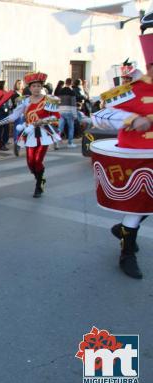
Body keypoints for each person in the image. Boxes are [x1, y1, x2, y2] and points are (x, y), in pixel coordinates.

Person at [86, 15, 153, 279]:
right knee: (137, 209)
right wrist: (131, 119)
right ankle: (127, 252)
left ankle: (125, 231)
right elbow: (99, 115)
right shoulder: (129, 90)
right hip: (136, 159)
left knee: (145, 207)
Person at [0, 72, 61, 198]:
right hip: (29, 133)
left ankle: (38, 185)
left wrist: (42, 121)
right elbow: (14, 116)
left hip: (43, 133)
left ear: (41, 87)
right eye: (33, 86)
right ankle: (40, 178)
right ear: (29, 88)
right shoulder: (24, 101)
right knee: (30, 162)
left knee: (37, 160)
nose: (36, 88)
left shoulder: (49, 100)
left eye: (38, 86)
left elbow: (56, 117)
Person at [57, 78, 78, 148]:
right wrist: (75, 115)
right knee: (71, 128)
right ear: (71, 83)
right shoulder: (72, 92)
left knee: (60, 128)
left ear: (65, 82)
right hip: (69, 112)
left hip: (60, 111)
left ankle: (56, 143)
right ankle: (70, 143)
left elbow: (58, 102)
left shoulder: (60, 91)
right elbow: (73, 104)